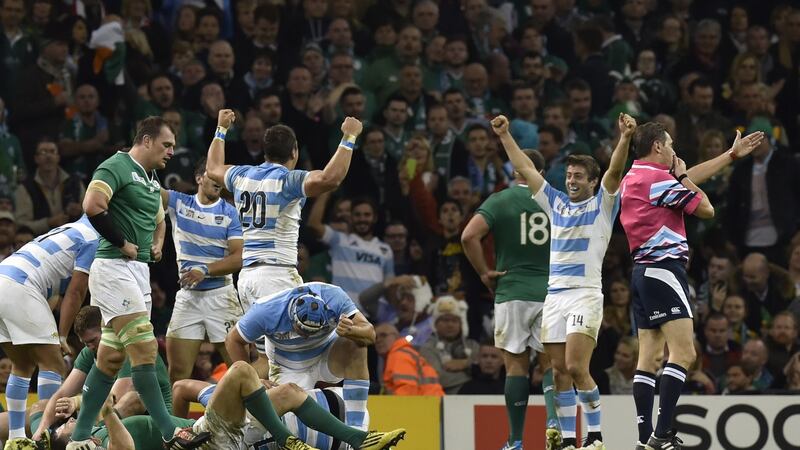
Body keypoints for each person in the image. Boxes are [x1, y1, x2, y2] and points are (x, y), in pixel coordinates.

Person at [492, 113, 638, 450]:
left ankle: (597, 435)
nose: (571, 180)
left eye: (578, 176)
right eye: (569, 175)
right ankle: (571, 441)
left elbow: (615, 171)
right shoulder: (555, 202)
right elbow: (527, 170)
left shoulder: (603, 204)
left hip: (585, 295)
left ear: (592, 181)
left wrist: (625, 138)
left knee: (575, 365)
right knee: (558, 372)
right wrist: (504, 136)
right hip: (553, 297)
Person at [66, 117, 210, 450]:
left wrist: (158, 243)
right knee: (145, 350)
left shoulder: (149, 177)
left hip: (137, 272)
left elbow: (160, 218)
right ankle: (168, 430)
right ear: (145, 140)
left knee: (110, 362)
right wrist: (121, 243)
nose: (172, 152)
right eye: (167, 145)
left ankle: (78, 437)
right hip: (113, 268)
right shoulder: (115, 166)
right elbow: (92, 206)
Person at [619, 121, 763, 450]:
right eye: (669, 145)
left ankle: (644, 440)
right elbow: (706, 209)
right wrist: (683, 177)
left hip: (642, 272)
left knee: (650, 357)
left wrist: (729, 156)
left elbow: (684, 182)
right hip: (664, 270)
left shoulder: (635, 177)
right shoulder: (658, 179)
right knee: (684, 353)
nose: (674, 152)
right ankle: (663, 434)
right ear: (657, 147)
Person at [205, 109, 361, 390]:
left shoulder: (243, 176)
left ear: (265, 152)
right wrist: (348, 138)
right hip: (277, 277)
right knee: (297, 359)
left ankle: (241, 404)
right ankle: (256, 411)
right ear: (294, 152)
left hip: (247, 279)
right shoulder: (287, 181)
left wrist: (221, 130)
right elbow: (330, 179)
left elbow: (213, 169)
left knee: (268, 358)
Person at [50, 361, 406, 450]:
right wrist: (109, 412)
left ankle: (360, 441)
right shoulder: (89, 443)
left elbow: (141, 399)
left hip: (202, 436)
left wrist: (106, 404)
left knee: (290, 394)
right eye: (61, 425)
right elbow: (125, 446)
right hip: (203, 442)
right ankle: (287, 440)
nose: (65, 421)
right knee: (238, 371)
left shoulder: (92, 426)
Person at [461, 148, 561, 450]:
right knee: (549, 363)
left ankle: (516, 440)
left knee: (516, 366)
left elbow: (468, 236)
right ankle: (554, 421)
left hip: (512, 290)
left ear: (514, 171)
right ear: (541, 173)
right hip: (552, 291)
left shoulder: (500, 199)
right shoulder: (556, 200)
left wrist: (483, 272)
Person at [0, 216, 98, 446]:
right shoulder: (94, 240)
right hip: (21, 286)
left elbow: (51, 297)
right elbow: (75, 292)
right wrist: (61, 336)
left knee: (22, 365)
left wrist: (53, 333)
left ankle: (16, 440)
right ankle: (45, 434)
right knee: (53, 364)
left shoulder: (73, 229)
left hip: (4, 277)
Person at [226, 282, 375, 433]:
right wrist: (253, 378)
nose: (307, 336)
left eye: (313, 331)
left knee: (357, 343)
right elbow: (233, 340)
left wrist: (352, 330)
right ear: (291, 316)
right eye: (303, 330)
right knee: (287, 423)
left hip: (327, 354)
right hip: (288, 366)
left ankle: (358, 428)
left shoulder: (334, 297)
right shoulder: (266, 310)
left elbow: (370, 334)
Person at [33, 306, 173, 441]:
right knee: (41, 406)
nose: (91, 347)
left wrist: (75, 402)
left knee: (130, 399)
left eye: (93, 340)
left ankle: (88, 440)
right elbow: (62, 394)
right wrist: (42, 431)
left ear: (106, 329)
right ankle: (39, 441)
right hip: (106, 416)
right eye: (85, 343)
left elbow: (112, 399)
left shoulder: (125, 347)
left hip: (150, 419)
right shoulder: (90, 351)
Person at [162, 157, 244, 384]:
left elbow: (239, 258)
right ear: (199, 178)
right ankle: (175, 421)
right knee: (177, 376)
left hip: (222, 297)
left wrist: (204, 270)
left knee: (240, 371)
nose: (218, 181)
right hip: (188, 299)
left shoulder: (230, 213)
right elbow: (149, 191)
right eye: (213, 175)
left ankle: (249, 420)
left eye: (221, 178)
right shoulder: (179, 203)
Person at [374, 323, 444, 396]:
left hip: (425, 404)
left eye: (383, 335)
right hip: (430, 403)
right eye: (375, 338)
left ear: (397, 337)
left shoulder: (399, 355)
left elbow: (407, 390)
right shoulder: (401, 353)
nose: (378, 340)